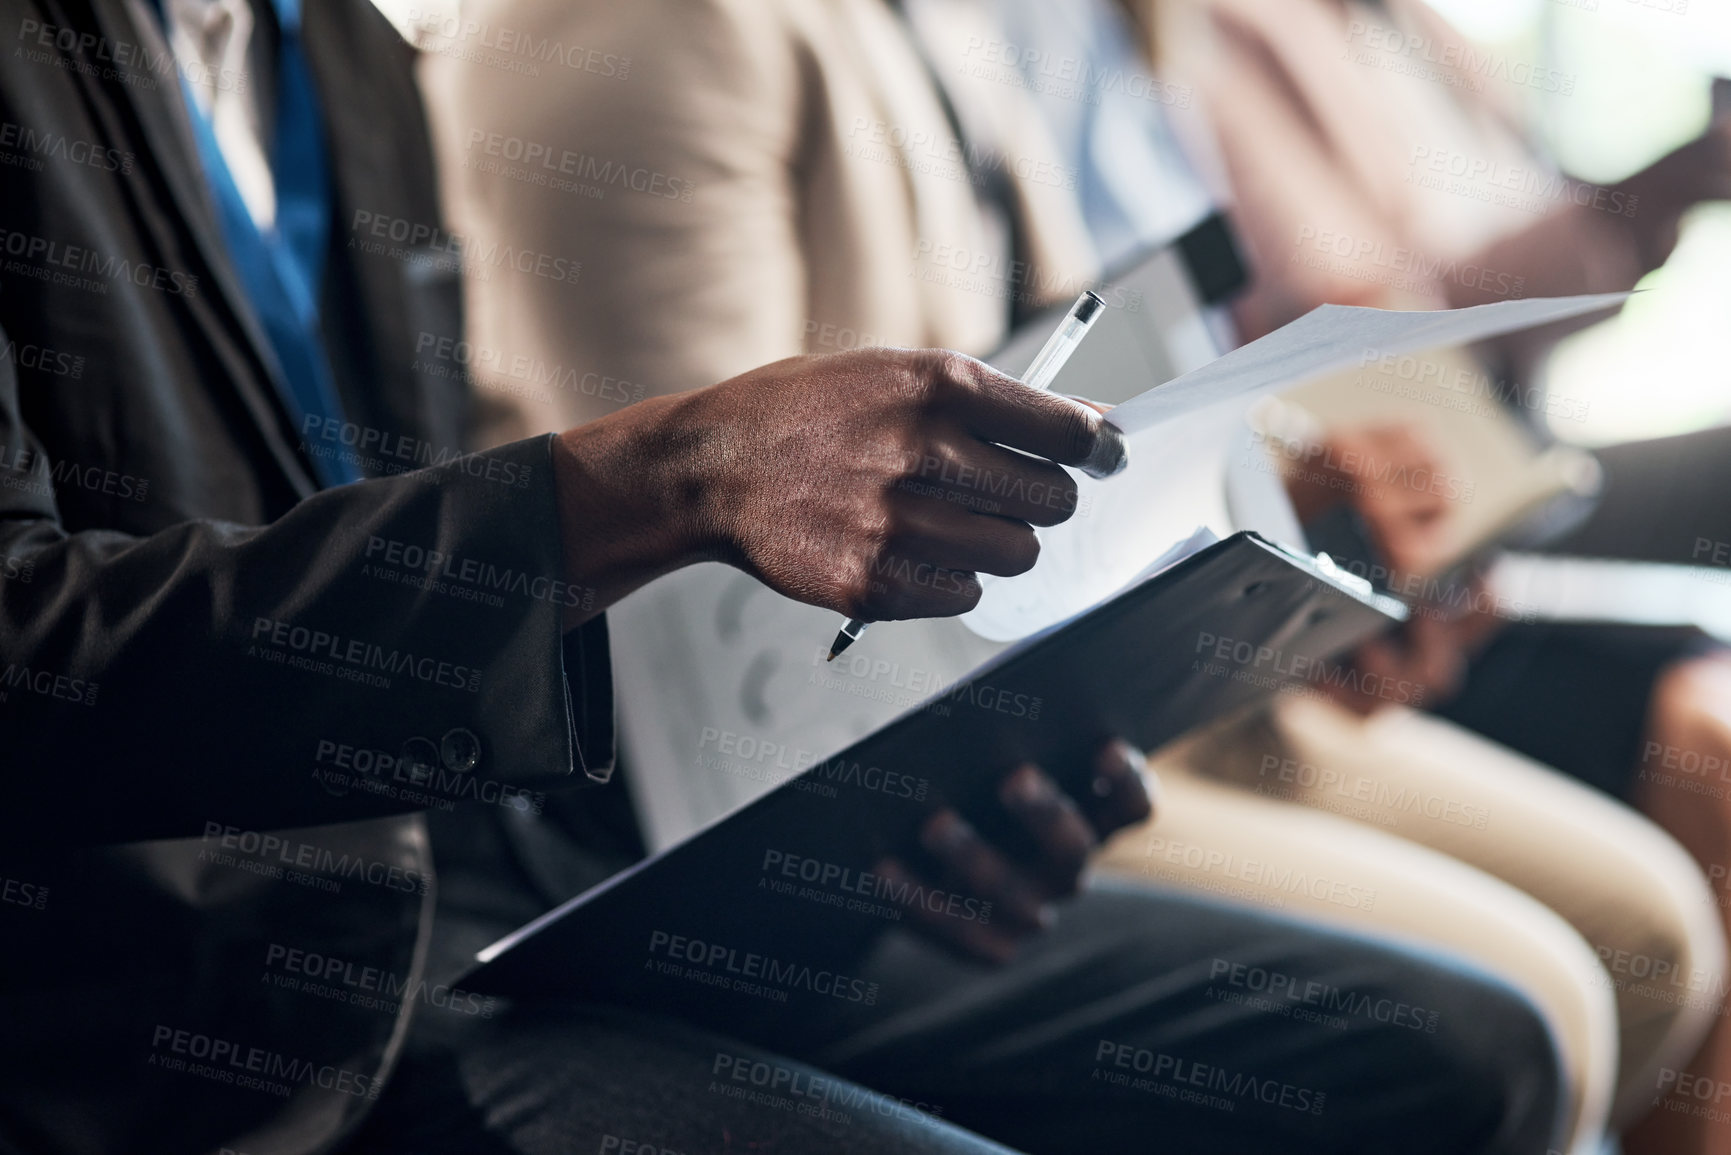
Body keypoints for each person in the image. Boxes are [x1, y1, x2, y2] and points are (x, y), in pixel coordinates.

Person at [0, 1, 1571, 1154]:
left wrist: (895, 805)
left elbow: (427, 560)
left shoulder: (328, 49)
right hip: (165, 993)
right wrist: (640, 487)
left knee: (1456, 1050)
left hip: (494, 856)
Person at [419, 0, 1648, 1151]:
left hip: (1019, 681)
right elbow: (707, 602)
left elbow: (1092, 396)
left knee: (1611, 949)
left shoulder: (957, 28)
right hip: (831, 765)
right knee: (1530, 1007)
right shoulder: (665, 28)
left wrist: (1285, 522)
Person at [1132, 0, 1731, 1149]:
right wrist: (1657, 193)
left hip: (1501, 485)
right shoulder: (1226, 32)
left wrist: (1647, 211)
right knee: (1708, 752)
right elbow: (1357, 327)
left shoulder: (1432, 40)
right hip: (1397, 512)